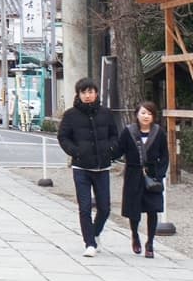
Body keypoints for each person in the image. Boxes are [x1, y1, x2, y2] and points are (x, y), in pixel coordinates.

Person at [57, 77, 119, 258]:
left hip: (102, 167)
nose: (87, 95)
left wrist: (110, 150)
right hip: (81, 167)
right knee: (84, 207)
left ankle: (95, 233)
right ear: (78, 94)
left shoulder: (106, 113)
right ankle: (89, 243)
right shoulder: (70, 115)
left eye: (90, 92)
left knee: (104, 208)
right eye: (83, 92)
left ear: (96, 93)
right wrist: (75, 152)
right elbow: (63, 137)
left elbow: (114, 135)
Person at [118, 101, 169, 258]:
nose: (146, 116)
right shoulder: (128, 131)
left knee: (153, 209)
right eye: (143, 113)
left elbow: (164, 155)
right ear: (137, 114)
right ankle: (135, 235)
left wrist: (159, 175)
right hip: (133, 174)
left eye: (149, 113)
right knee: (134, 209)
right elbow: (119, 150)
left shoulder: (159, 133)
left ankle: (150, 243)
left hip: (152, 175)